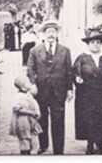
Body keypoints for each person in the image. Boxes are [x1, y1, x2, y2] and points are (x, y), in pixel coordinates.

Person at [73, 24, 102, 155]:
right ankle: (90, 143)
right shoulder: (82, 58)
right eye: (92, 42)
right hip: (86, 94)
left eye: (98, 42)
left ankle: (100, 142)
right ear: (88, 44)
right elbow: (74, 72)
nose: (95, 45)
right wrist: (77, 79)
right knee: (89, 119)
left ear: (101, 44)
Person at [27, 20, 73, 155]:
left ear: (57, 34)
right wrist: (33, 84)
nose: (51, 34)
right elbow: (30, 69)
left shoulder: (65, 51)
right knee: (42, 119)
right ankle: (43, 145)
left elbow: (69, 71)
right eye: (48, 32)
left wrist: (69, 89)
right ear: (43, 34)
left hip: (58, 91)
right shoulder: (35, 50)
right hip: (41, 91)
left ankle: (58, 150)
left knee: (58, 121)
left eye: (53, 31)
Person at [9, 75, 43, 155]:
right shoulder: (19, 97)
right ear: (23, 87)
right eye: (28, 82)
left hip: (30, 120)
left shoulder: (28, 94)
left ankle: (30, 151)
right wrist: (32, 113)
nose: (30, 83)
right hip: (23, 121)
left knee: (31, 137)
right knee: (24, 137)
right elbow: (18, 109)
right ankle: (25, 153)